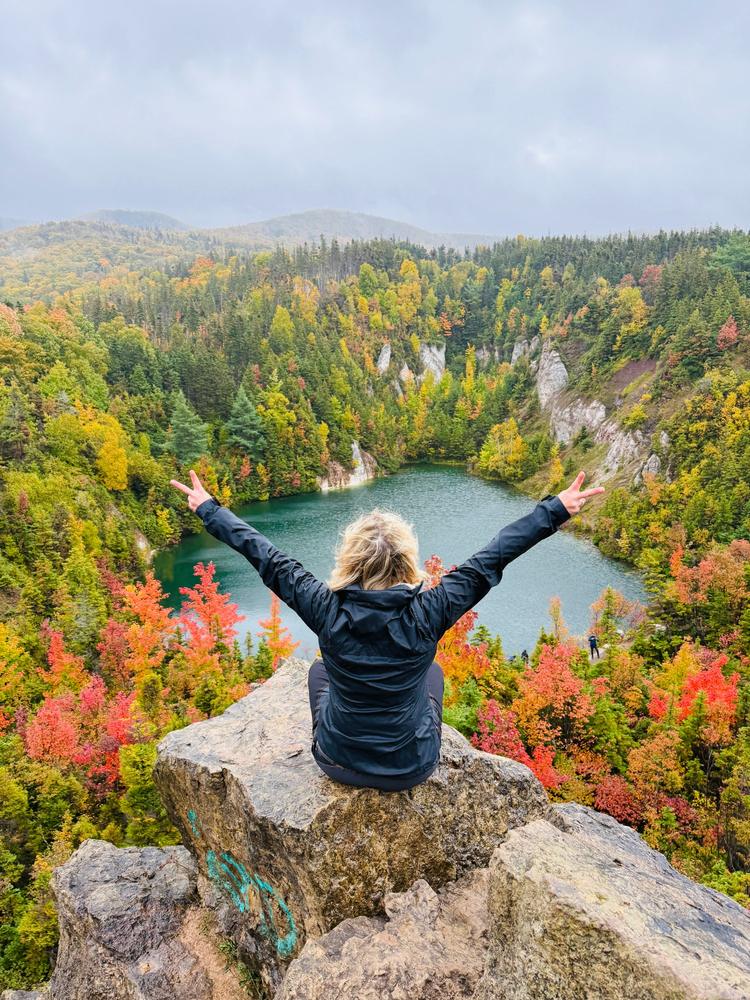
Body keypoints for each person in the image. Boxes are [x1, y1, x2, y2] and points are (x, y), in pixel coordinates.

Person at [170, 469, 604, 792]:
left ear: (350, 560)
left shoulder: (324, 607)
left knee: (319, 672)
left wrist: (210, 509)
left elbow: (267, 558)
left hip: (335, 759)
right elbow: (492, 557)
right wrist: (555, 510)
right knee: (433, 675)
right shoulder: (430, 611)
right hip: (410, 767)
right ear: (407, 561)